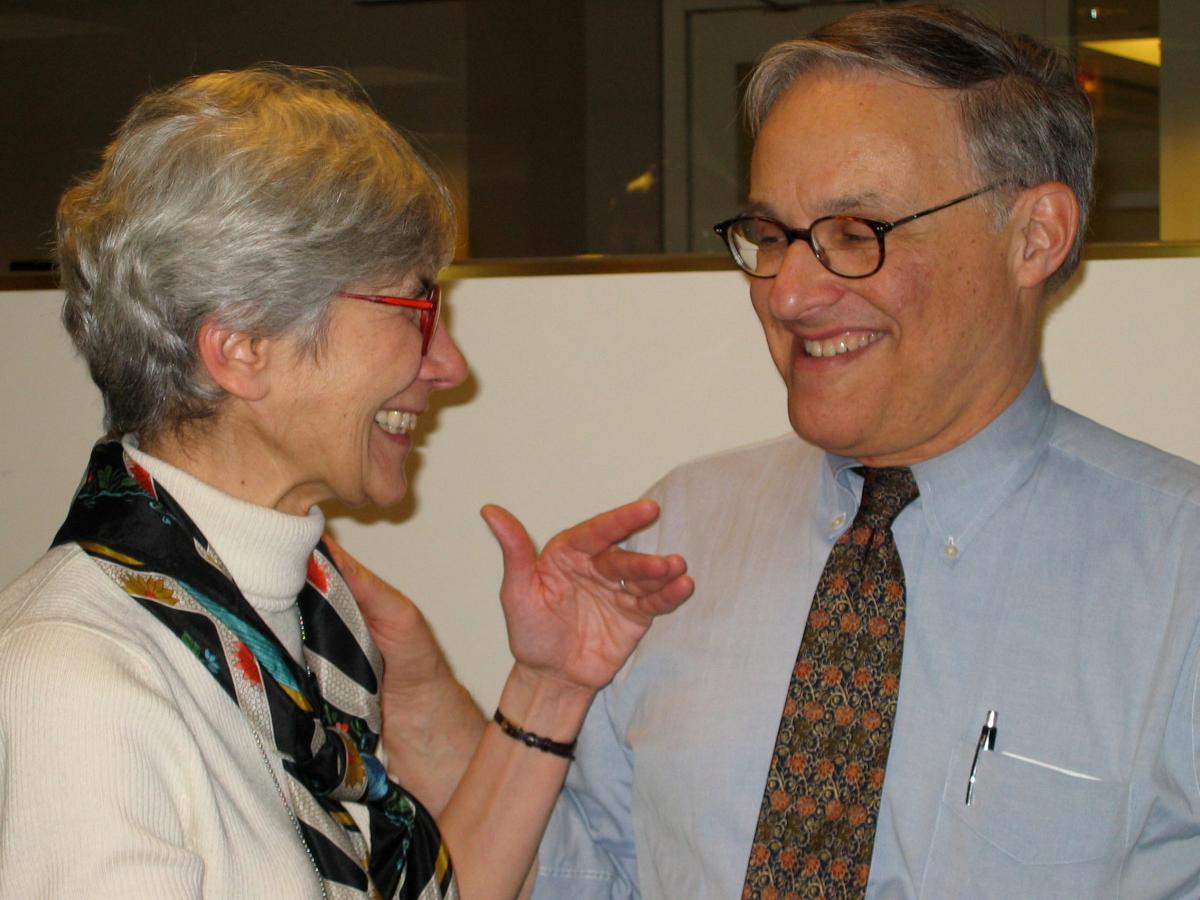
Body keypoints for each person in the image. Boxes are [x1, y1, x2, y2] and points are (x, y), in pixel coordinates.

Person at [528, 6, 1200, 899]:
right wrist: (432, 708)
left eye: (856, 232)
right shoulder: (677, 534)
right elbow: (590, 875)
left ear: (1035, 236)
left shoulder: (1178, 576)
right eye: (771, 236)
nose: (791, 294)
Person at [0, 66, 693, 899]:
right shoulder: (75, 681)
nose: (450, 367)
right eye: (416, 310)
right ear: (243, 347)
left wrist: (550, 688)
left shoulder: (306, 625)